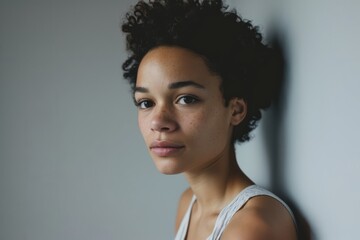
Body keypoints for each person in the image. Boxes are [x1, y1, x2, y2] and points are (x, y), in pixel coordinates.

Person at [121, 0, 297, 239]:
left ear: (235, 110)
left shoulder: (251, 227)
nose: (158, 121)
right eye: (146, 103)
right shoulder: (189, 204)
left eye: (186, 99)